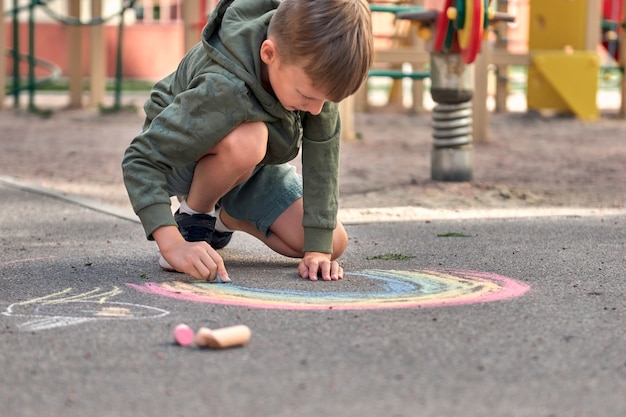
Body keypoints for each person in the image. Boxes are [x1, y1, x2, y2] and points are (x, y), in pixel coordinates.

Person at [122, 0, 373, 283]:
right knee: (250, 138)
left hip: (247, 166)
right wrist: (172, 244)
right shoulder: (223, 85)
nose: (316, 109)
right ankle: (194, 218)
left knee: (331, 241)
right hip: (186, 156)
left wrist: (317, 250)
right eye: (307, 97)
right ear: (269, 53)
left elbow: (322, 160)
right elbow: (140, 160)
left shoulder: (313, 77)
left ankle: (224, 218)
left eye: (325, 100)